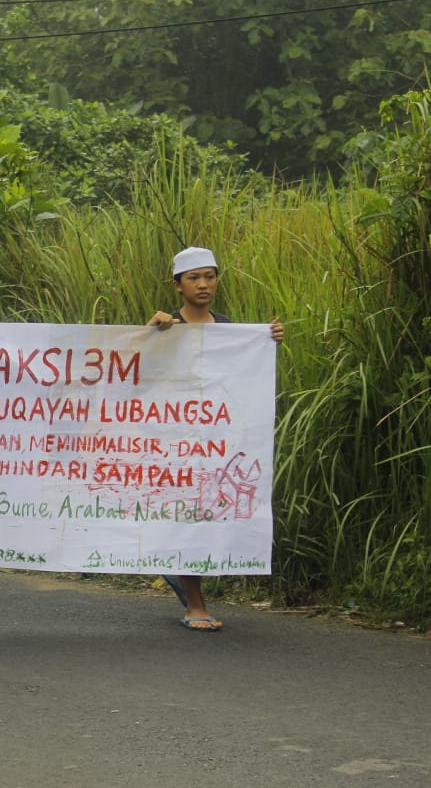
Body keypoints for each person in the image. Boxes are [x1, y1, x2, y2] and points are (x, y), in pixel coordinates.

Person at [148, 245, 283, 631]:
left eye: (210, 276)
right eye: (194, 277)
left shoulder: (231, 330)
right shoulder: (166, 325)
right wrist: (153, 330)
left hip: (219, 442)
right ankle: (195, 603)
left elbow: (243, 378)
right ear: (177, 286)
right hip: (175, 442)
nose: (203, 284)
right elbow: (138, 368)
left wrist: (268, 340)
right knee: (189, 517)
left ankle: (177, 571)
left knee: (211, 517)